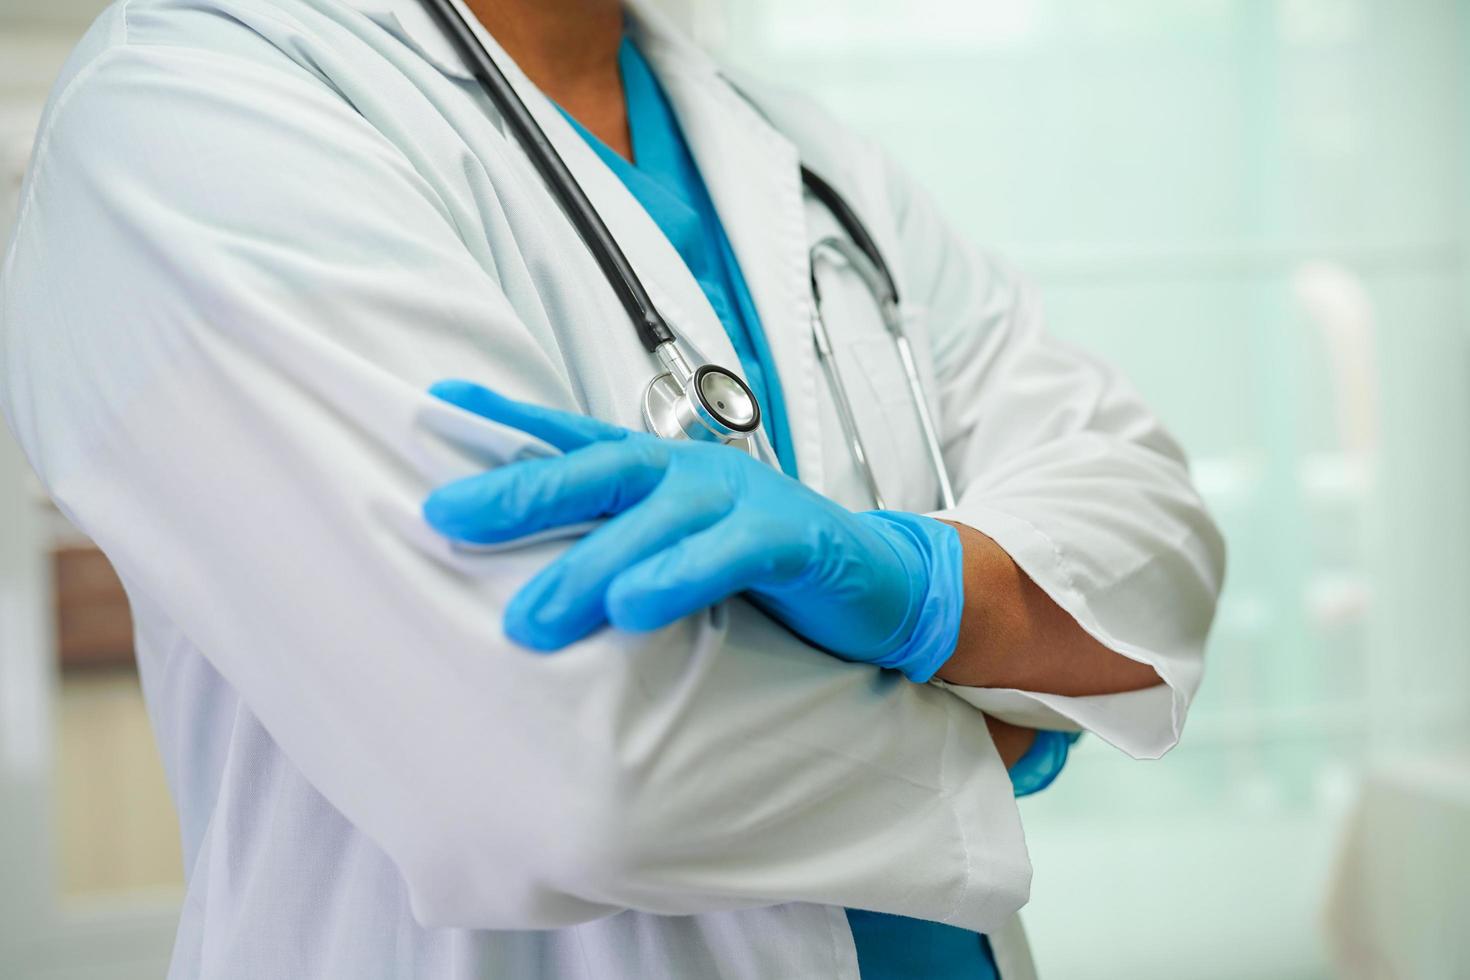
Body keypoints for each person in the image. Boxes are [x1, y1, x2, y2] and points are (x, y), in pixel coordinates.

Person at [0, 0, 1225, 976]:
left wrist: (924, 585)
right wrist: (1005, 686)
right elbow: (560, 768)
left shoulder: (799, 150)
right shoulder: (191, 110)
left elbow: (1149, 521)